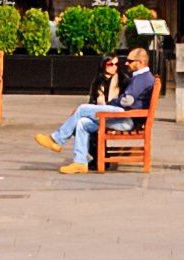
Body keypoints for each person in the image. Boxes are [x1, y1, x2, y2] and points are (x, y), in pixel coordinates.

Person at [41, 40, 156, 172]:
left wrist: (110, 104)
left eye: (130, 61)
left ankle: (56, 139)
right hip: (126, 116)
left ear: (140, 63)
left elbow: (127, 101)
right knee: (82, 123)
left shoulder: (142, 78)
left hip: (126, 118)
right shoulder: (142, 77)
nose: (126, 63)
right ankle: (80, 163)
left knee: (83, 109)